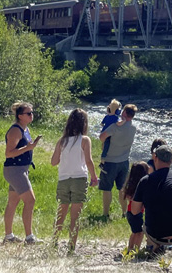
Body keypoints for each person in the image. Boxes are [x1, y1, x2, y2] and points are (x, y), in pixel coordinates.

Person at [131, 145, 172, 257]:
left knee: (150, 215)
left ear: (155, 158)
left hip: (155, 235)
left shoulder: (145, 180)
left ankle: (155, 247)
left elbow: (134, 211)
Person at [50, 108, 98, 252]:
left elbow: (53, 162)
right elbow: (89, 161)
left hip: (63, 179)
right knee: (75, 216)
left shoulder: (62, 141)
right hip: (79, 178)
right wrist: (94, 177)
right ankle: (71, 247)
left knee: (61, 213)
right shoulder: (84, 140)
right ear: (84, 124)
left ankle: (54, 242)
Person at [3, 101, 42, 244]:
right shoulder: (15, 130)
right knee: (30, 200)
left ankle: (9, 237)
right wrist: (28, 148)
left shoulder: (25, 129)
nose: (32, 115)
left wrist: (30, 147)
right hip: (14, 170)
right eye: (29, 113)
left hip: (21, 169)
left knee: (13, 202)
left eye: (32, 112)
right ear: (20, 116)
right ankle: (29, 237)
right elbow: (8, 153)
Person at [99, 103, 138, 218]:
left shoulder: (115, 127)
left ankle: (106, 214)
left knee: (107, 188)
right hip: (124, 162)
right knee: (122, 188)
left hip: (110, 161)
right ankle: (124, 212)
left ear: (124, 113)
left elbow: (102, 137)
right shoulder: (133, 128)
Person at [121, 161, 149, 251]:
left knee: (134, 232)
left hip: (130, 212)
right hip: (135, 213)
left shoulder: (131, 184)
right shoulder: (139, 186)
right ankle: (136, 249)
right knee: (140, 232)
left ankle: (130, 248)